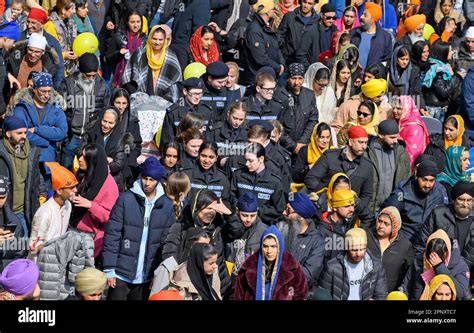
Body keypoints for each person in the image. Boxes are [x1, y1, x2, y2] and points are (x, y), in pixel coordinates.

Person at [103, 157, 175, 300]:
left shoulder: (166, 205)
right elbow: (113, 234)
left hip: (146, 277)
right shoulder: (125, 199)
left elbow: (165, 243)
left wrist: (158, 274)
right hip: (120, 273)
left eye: (152, 180)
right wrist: (110, 269)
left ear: (158, 181)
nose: (147, 183)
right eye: (145, 178)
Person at [162, 190, 232, 298]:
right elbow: (168, 256)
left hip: (217, 284)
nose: (212, 212)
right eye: (208, 208)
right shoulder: (181, 228)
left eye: (214, 209)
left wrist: (229, 213)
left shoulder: (217, 228)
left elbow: (236, 230)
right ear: (196, 208)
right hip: (186, 286)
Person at [59, 53, 110, 170]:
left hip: (90, 138)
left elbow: (105, 109)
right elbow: (60, 109)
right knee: (65, 170)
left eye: (94, 75)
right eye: (88, 76)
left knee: (88, 171)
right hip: (72, 136)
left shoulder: (102, 85)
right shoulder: (68, 83)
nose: (91, 79)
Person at [70, 143, 119, 259]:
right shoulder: (84, 175)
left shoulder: (109, 185)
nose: (80, 160)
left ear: (93, 161)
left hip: (89, 238)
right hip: (72, 230)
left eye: (84, 157)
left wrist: (90, 205)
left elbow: (110, 216)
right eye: (80, 155)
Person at [305, 126, 374, 207]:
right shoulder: (330, 156)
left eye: (366, 143)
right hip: (325, 208)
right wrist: (325, 198)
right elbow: (311, 178)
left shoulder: (367, 166)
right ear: (351, 142)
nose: (364, 146)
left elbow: (367, 195)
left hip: (348, 212)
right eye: (361, 142)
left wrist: (354, 208)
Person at [233, 225, 309, 300]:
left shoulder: (293, 267)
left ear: (280, 246)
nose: (269, 251)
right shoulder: (249, 266)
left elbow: (300, 295)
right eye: (265, 246)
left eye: (273, 246)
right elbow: (239, 295)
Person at [382, 159, 446, 244]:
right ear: (417, 176)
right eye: (424, 179)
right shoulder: (402, 194)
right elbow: (387, 217)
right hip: (403, 241)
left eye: (431, 181)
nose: (427, 185)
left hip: (426, 243)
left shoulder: (438, 195)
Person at [13, 72, 67, 164]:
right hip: (26, 158)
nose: (46, 95)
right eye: (43, 91)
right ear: (34, 89)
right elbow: (19, 132)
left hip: (48, 160)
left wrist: (37, 129)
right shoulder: (22, 107)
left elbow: (62, 132)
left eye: (49, 91)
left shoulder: (56, 107)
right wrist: (46, 141)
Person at [318, 228, 388, 300]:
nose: (358, 254)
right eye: (354, 250)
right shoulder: (332, 267)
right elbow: (323, 295)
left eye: (362, 249)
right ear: (347, 247)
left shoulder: (376, 266)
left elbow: (381, 294)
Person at [0, 115, 42, 236]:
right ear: (8, 134)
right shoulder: (2, 153)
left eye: (25, 132)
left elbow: (37, 177)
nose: (24, 136)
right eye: (19, 133)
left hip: (23, 212)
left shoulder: (31, 152)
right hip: (4, 213)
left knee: (22, 248)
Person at [401, 229, 471, 300]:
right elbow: (407, 285)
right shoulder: (419, 260)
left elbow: (461, 292)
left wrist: (440, 267)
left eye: (436, 257)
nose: (432, 261)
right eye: (430, 257)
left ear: (446, 253)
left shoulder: (459, 265)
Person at [418, 182, 474, 268]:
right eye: (461, 199)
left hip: (464, 273)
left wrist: (460, 270)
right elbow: (422, 243)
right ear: (454, 200)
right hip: (434, 266)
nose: (465, 204)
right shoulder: (438, 214)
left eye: (469, 200)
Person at [230, 143, 286, 225]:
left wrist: (257, 211)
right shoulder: (238, 175)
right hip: (239, 222)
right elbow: (231, 196)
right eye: (246, 160)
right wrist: (242, 208)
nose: (246, 164)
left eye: (250, 161)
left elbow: (278, 209)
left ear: (261, 159)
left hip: (262, 224)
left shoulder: (274, 182)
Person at [29, 162, 78, 256]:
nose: (75, 190)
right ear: (59, 190)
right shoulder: (45, 213)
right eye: (71, 187)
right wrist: (51, 246)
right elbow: (33, 248)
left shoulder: (68, 204)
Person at [122, 25, 182, 102]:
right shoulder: (140, 53)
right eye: (154, 39)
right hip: (140, 101)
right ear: (150, 38)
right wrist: (136, 94)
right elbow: (129, 75)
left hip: (164, 102)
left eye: (160, 39)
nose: (157, 42)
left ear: (165, 40)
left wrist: (165, 99)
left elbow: (175, 83)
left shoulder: (171, 57)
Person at [278, 192, 325, 288]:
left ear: (301, 216)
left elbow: (308, 275)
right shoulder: (279, 229)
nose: (284, 212)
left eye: (288, 210)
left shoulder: (317, 242)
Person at [365, 119, 412, 213]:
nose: (396, 141)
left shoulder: (401, 153)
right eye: (392, 137)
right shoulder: (367, 153)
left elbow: (406, 180)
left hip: (391, 209)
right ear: (381, 135)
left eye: (397, 137)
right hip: (369, 209)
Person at [364, 206, 414, 292]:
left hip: (388, 293)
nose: (381, 226)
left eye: (386, 223)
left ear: (394, 226)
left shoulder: (405, 246)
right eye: (379, 221)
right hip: (365, 290)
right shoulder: (367, 236)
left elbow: (408, 273)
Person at [85, 107, 134, 192]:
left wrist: (95, 159)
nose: (106, 125)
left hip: (112, 181)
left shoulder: (122, 139)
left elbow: (117, 165)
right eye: (104, 121)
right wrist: (105, 159)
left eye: (110, 123)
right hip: (91, 177)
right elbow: (82, 150)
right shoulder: (92, 131)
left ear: (116, 123)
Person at [241, 0, 285, 85]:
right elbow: (260, 58)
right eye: (272, 9)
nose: (274, 11)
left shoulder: (266, 27)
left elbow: (276, 47)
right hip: (258, 78)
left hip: (270, 75)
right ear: (268, 12)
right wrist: (278, 67)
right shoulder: (254, 30)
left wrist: (281, 64)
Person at [225, 192, 267, 278]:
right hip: (229, 276)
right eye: (244, 215)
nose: (248, 219)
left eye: (252, 216)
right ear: (237, 211)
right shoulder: (227, 228)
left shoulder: (264, 231)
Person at [279, 63, 318, 157]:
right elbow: (277, 124)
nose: (297, 82)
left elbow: (313, 119)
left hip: (303, 147)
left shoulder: (309, 95)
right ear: (288, 78)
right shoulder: (280, 95)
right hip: (283, 148)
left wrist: (302, 142)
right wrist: (293, 145)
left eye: (300, 78)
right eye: (293, 78)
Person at [161, 77, 213, 147]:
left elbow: (209, 138)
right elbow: (167, 140)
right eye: (194, 93)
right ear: (185, 91)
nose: (197, 97)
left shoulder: (206, 111)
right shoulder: (174, 112)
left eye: (200, 94)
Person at [19, 7, 64, 89]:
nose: (29, 26)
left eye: (33, 23)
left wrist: (54, 89)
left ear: (42, 24)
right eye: (28, 22)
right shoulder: (18, 38)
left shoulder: (52, 42)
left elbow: (59, 67)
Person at [422, 40, 464, 122]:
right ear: (443, 52)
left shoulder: (443, 67)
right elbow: (443, 91)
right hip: (434, 110)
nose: (452, 53)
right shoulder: (437, 70)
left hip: (439, 107)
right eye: (450, 51)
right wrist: (457, 77)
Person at [110, 88, 143, 187]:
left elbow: (137, 146)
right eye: (118, 103)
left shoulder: (132, 122)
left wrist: (127, 163)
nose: (121, 107)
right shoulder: (105, 118)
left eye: (124, 103)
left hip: (124, 165)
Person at [182, 142, 231, 206]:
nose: (207, 160)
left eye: (211, 157)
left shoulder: (222, 178)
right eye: (204, 156)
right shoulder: (187, 175)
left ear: (216, 157)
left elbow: (225, 202)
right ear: (199, 154)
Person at [105, 10, 145, 88]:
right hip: (119, 79)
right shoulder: (118, 37)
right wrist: (118, 53)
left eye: (138, 22)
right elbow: (107, 58)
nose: (136, 25)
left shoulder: (144, 39)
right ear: (127, 22)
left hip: (138, 80)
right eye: (132, 22)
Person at [350, 2, 392, 71]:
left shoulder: (385, 37)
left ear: (373, 20)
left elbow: (386, 61)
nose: (361, 17)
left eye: (365, 15)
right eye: (362, 14)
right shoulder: (354, 33)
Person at [391, 95, 430, 169]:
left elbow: (412, 154)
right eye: (394, 108)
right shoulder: (399, 122)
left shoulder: (414, 127)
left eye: (399, 108)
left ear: (407, 109)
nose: (394, 111)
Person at [276, 0, 319, 67]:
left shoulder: (317, 21)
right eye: (304, 2)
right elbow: (279, 35)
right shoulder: (289, 16)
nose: (306, 5)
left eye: (309, 3)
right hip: (288, 60)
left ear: (314, 4)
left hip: (307, 63)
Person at [43, 0, 78, 76]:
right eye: (72, 8)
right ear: (63, 10)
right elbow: (47, 50)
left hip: (69, 70)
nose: (74, 11)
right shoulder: (50, 25)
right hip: (56, 71)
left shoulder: (70, 24)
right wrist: (64, 55)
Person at [0, 175, 26, 271]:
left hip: (6, 275)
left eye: (2, 197)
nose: (0, 201)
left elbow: (20, 253)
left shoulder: (14, 221)